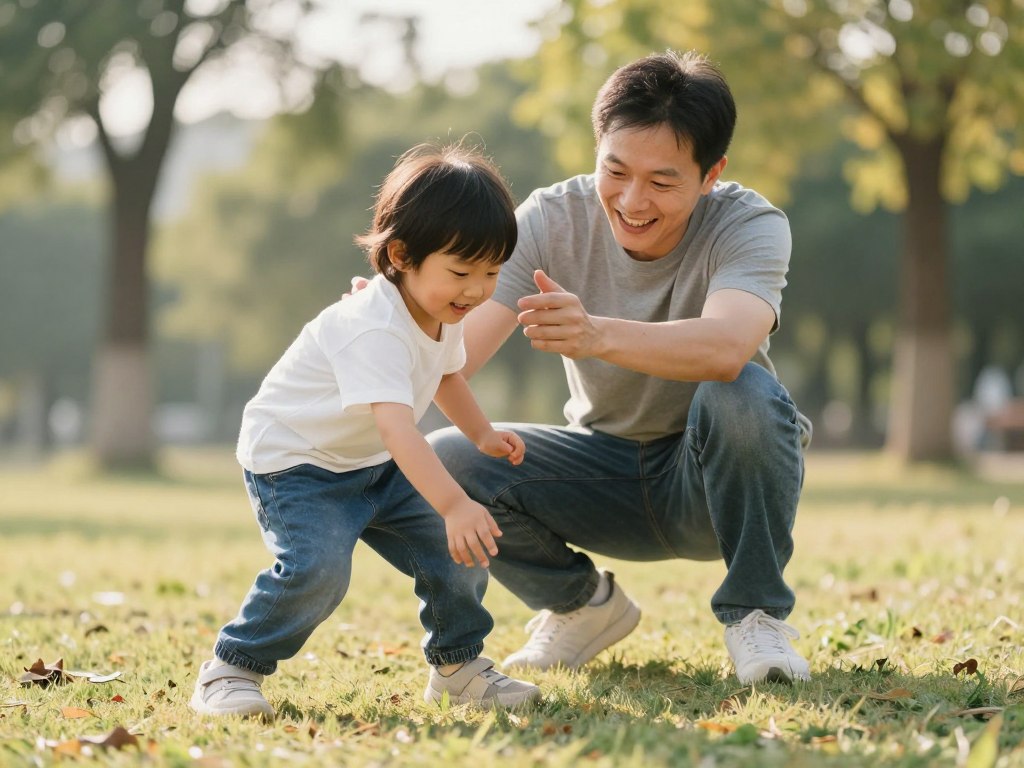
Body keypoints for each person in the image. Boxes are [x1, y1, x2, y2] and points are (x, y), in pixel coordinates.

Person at [426, 50, 814, 685]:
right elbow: (456, 358)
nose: (633, 201)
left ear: (712, 173)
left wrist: (595, 333)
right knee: (450, 455)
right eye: (616, 170)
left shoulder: (749, 224)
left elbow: (724, 348)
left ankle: (757, 618)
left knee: (741, 389)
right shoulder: (548, 220)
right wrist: (390, 322)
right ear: (597, 147)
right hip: (598, 470)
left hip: (711, 478)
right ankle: (581, 607)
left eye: (662, 182)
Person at [190, 143, 541, 720]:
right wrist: (453, 501)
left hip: (370, 459)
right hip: (297, 463)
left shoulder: (439, 309)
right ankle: (232, 667)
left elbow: (446, 373)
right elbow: (400, 428)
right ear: (401, 254)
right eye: (461, 271)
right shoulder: (371, 327)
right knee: (318, 569)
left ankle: (458, 668)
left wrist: (481, 434)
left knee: (461, 553)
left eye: (491, 272)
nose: (477, 290)